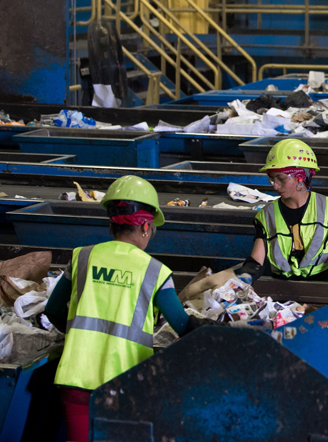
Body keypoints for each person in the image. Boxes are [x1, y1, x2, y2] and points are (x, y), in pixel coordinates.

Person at [45, 175, 224, 442]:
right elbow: (183, 325)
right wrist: (222, 333)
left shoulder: (82, 256)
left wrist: (77, 336)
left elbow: (53, 310)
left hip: (76, 380)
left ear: (112, 223)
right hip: (126, 385)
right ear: (145, 227)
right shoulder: (155, 271)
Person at [235, 138, 328, 283]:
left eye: (281, 179)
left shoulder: (326, 206)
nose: (275, 186)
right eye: (272, 179)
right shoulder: (267, 215)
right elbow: (256, 260)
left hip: (320, 285)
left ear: (300, 177)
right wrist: (248, 275)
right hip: (282, 289)